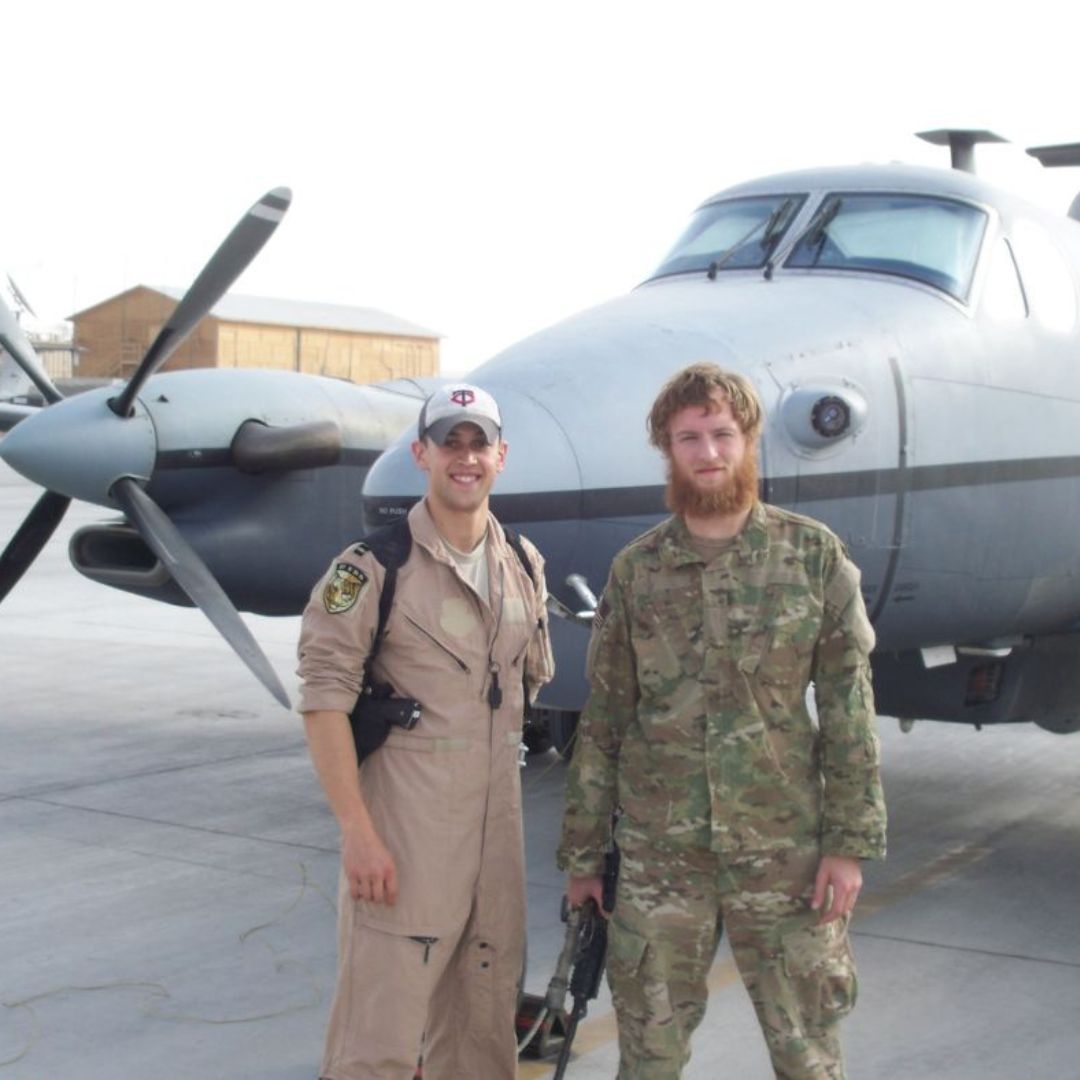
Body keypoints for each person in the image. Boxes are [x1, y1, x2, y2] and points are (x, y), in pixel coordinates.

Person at [557, 362, 886, 1079]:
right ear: (668, 451)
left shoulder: (811, 557)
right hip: (659, 860)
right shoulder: (637, 571)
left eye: (722, 434)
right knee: (648, 1055)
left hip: (786, 856)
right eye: (688, 438)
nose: (707, 452)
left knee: (808, 1053)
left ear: (749, 441)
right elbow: (606, 717)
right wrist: (584, 857)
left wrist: (848, 846)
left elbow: (848, 711)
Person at [298, 383, 554, 1080]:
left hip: (494, 846)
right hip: (405, 843)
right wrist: (358, 832)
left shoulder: (523, 566)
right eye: (450, 443)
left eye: (479, 444)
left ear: (501, 457)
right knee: (374, 1043)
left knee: (481, 1038)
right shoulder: (372, 568)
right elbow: (323, 701)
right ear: (422, 454)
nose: (465, 458)